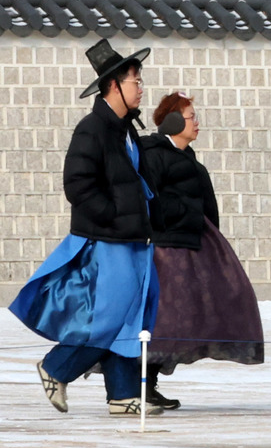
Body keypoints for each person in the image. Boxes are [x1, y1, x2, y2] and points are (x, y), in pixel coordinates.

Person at [10, 38, 162, 418]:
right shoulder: (92, 129)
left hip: (134, 238)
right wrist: (111, 215)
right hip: (108, 239)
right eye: (135, 82)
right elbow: (77, 185)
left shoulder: (126, 130)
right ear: (114, 85)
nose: (141, 89)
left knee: (133, 314)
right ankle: (56, 367)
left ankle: (123, 393)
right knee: (110, 314)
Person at [139, 91, 265, 409]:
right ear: (172, 121)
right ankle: (140, 385)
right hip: (167, 249)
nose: (197, 123)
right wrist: (182, 216)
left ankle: (148, 384)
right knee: (166, 319)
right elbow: (149, 200)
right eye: (192, 116)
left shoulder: (188, 158)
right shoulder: (153, 154)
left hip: (191, 243)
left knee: (193, 312)